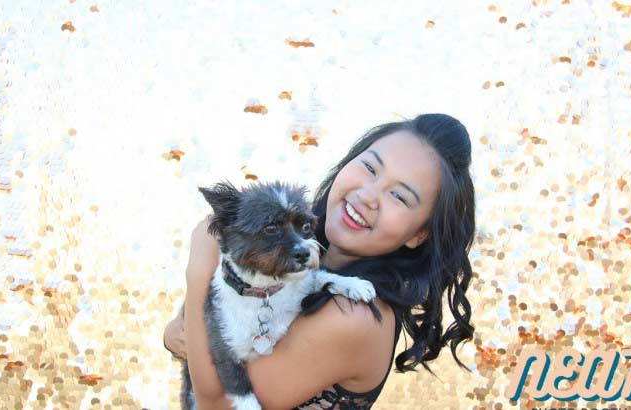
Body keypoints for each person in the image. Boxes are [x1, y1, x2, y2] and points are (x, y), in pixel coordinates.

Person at [163, 113, 476, 409]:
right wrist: (185, 334)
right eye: (370, 167)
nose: (368, 196)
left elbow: (214, 405)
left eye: (399, 196)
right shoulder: (294, 261)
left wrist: (200, 269)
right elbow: (182, 334)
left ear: (418, 234)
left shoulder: (354, 316)